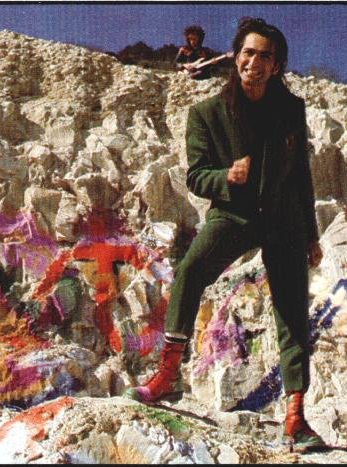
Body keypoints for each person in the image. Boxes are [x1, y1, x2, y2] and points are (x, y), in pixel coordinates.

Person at [126, 17, 326, 452]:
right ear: (235, 58)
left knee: (292, 308)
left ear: (276, 66)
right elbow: (196, 176)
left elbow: (301, 177)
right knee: (189, 271)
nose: (255, 62)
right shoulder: (206, 113)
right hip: (233, 214)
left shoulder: (291, 109)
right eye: (248, 53)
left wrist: (311, 235)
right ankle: (166, 375)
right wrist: (226, 177)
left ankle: (295, 416)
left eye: (265, 56)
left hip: (283, 219)